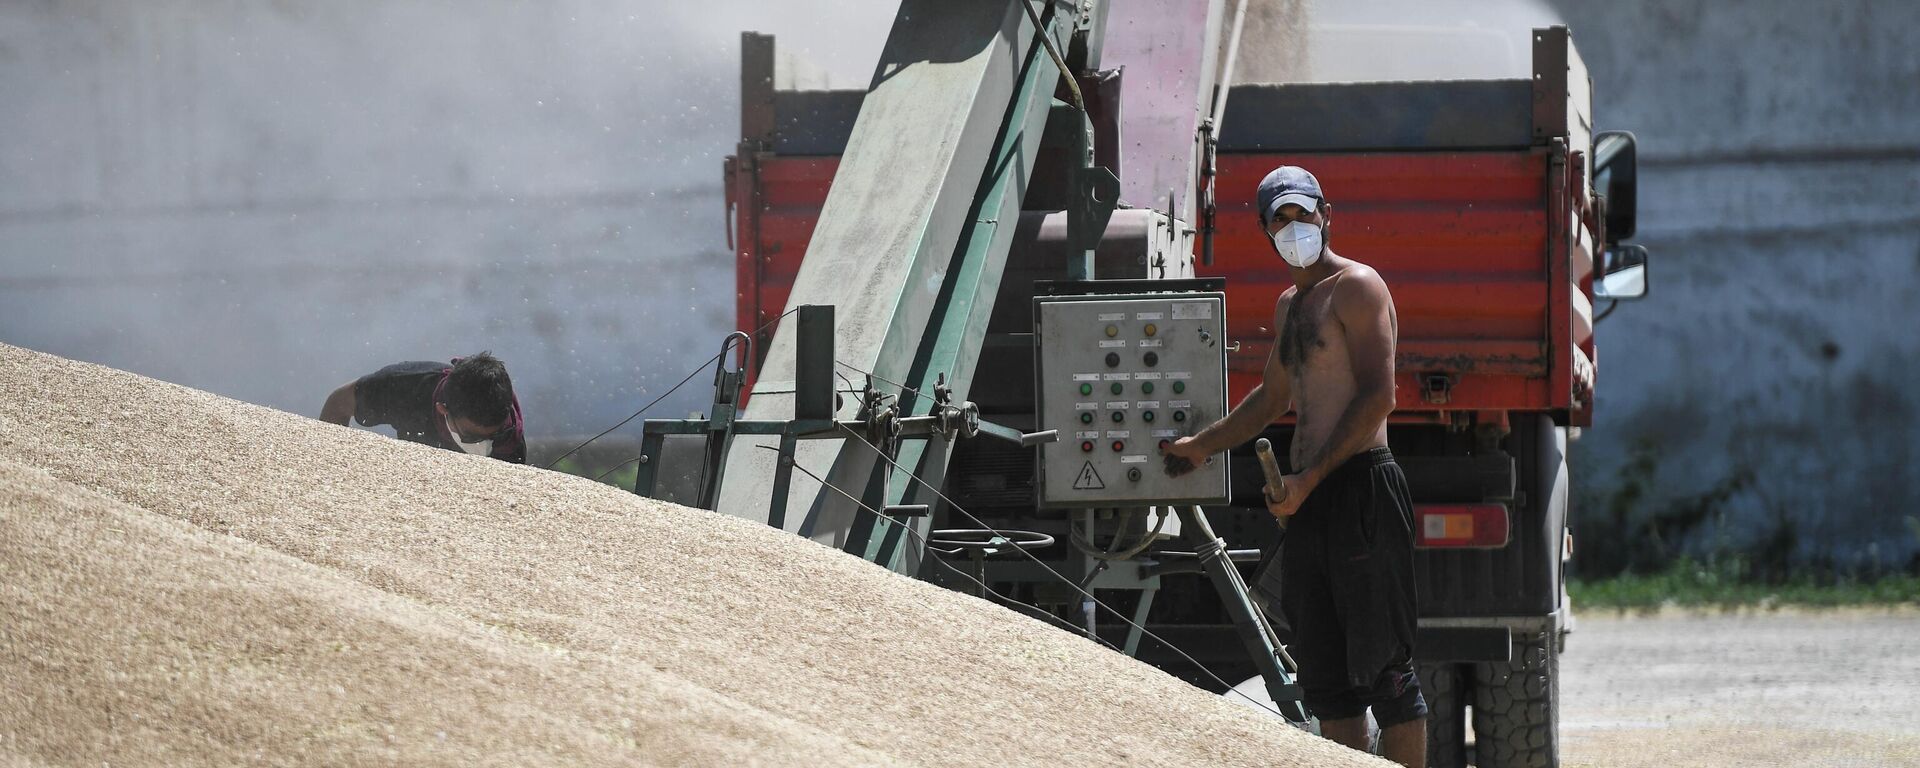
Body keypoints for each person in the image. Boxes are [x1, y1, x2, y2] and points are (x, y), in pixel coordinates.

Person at [1163, 166, 1426, 765]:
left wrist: (1310, 478)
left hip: (1362, 489)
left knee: (1386, 670)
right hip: (1310, 506)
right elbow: (1273, 397)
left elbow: (1379, 396)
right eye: (1280, 219)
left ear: (1324, 213)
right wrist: (1202, 445)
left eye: (1301, 213)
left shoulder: (1359, 287)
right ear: (1264, 229)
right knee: (1327, 678)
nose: (1293, 227)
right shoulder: (1290, 306)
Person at [319, 352, 526, 464]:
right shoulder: (404, 387)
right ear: (443, 409)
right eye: (472, 437)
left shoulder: (510, 442)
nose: (488, 445)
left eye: (497, 434)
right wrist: (330, 464)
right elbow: (338, 404)